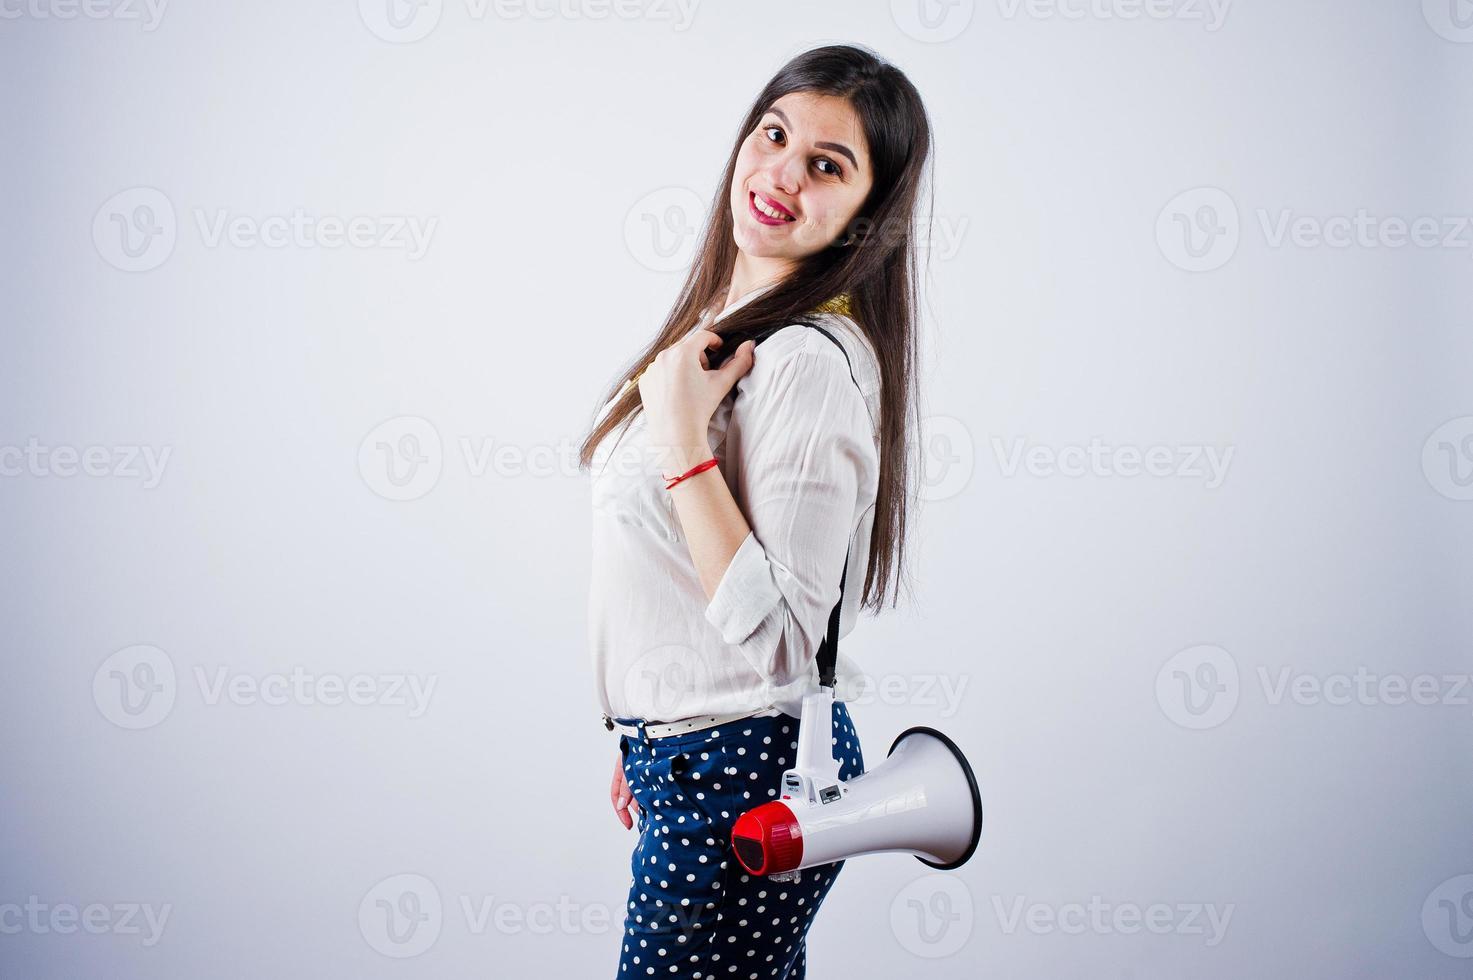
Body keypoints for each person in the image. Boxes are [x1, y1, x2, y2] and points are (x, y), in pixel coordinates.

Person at [578, 42, 934, 980]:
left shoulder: (809, 365)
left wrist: (682, 442)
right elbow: (673, 570)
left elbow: (781, 642)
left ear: (868, 216)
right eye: (772, 134)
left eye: (827, 165)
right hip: (696, 763)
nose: (780, 173)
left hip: (736, 773)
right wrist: (650, 717)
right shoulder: (738, 336)